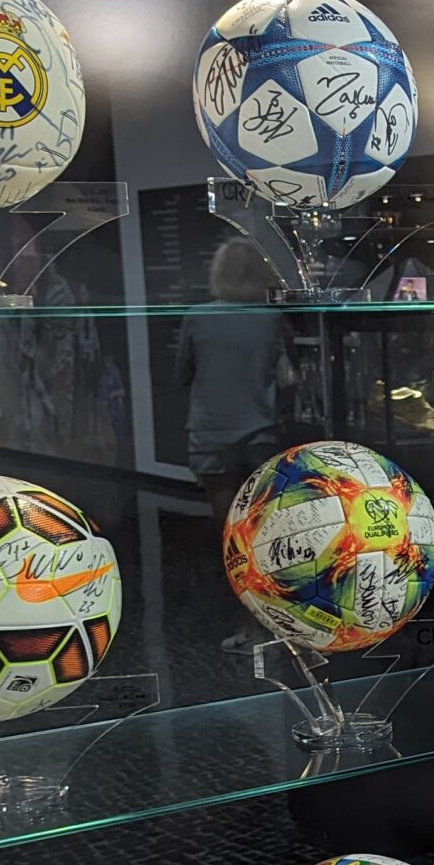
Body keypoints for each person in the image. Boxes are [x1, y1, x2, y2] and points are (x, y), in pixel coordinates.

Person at [176, 240, 291, 647]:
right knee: (268, 534)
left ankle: (249, 625)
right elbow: (286, 376)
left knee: (232, 538)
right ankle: (283, 622)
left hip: (212, 436)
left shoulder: (196, 316)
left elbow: (182, 373)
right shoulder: (271, 318)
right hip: (260, 433)